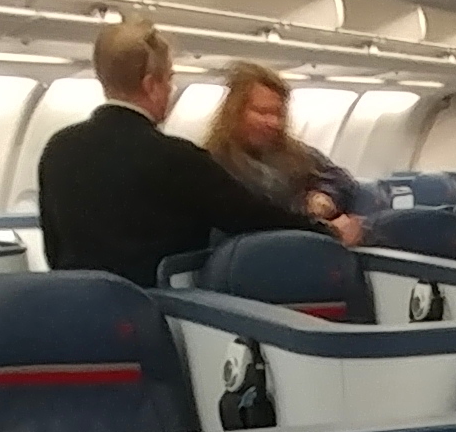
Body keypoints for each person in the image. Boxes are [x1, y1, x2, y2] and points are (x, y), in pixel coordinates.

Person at [36, 20, 359, 289]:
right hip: (160, 313)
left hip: (78, 311)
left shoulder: (57, 149)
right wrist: (328, 232)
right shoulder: (175, 158)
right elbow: (253, 218)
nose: (170, 89)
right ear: (151, 85)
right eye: (169, 78)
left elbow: (54, 249)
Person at [206, 62, 363, 224]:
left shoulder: (296, 153)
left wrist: (323, 195)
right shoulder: (214, 163)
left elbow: (341, 180)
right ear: (235, 113)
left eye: (278, 114)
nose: (273, 122)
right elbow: (260, 210)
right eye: (263, 112)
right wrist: (311, 214)